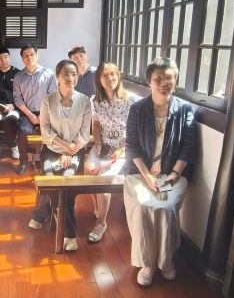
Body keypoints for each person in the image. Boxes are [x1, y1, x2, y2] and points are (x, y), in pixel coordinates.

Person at [123, 57, 196, 287]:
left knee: (166, 207)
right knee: (144, 207)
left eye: (169, 78)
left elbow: (188, 147)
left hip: (173, 174)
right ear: (149, 81)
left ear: (176, 80)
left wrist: (174, 174)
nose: (164, 82)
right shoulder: (137, 109)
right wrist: (147, 176)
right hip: (139, 172)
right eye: (159, 78)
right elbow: (132, 147)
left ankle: (166, 261)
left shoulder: (184, 109)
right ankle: (148, 263)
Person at [27, 59, 91, 251]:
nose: (70, 78)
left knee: (67, 184)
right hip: (51, 151)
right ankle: (45, 214)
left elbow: (84, 134)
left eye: (74, 74)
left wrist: (71, 152)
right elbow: (45, 132)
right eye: (66, 74)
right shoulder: (48, 100)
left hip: (75, 152)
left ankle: (67, 233)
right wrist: (64, 147)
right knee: (50, 182)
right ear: (57, 77)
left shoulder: (85, 101)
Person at [84, 62, 137, 243]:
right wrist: (98, 144)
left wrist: (122, 149)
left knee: (104, 178)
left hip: (125, 147)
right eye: (105, 75)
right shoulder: (94, 100)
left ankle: (101, 222)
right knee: (88, 169)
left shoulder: (130, 99)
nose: (109, 78)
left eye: (112, 74)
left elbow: (136, 130)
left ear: (118, 76)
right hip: (104, 145)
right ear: (98, 79)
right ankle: (98, 207)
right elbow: (96, 125)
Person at [12, 44, 57, 175]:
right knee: (23, 131)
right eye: (25, 56)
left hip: (46, 113)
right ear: (22, 59)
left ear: (37, 55)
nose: (29, 57)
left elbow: (53, 96)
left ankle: (47, 161)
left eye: (32, 54)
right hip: (27, 113)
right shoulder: (18, 76)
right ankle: (23, 161)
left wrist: (43, 114)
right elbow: (17, 98)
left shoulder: (48, 74)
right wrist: (30, 114)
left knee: (51, 133)